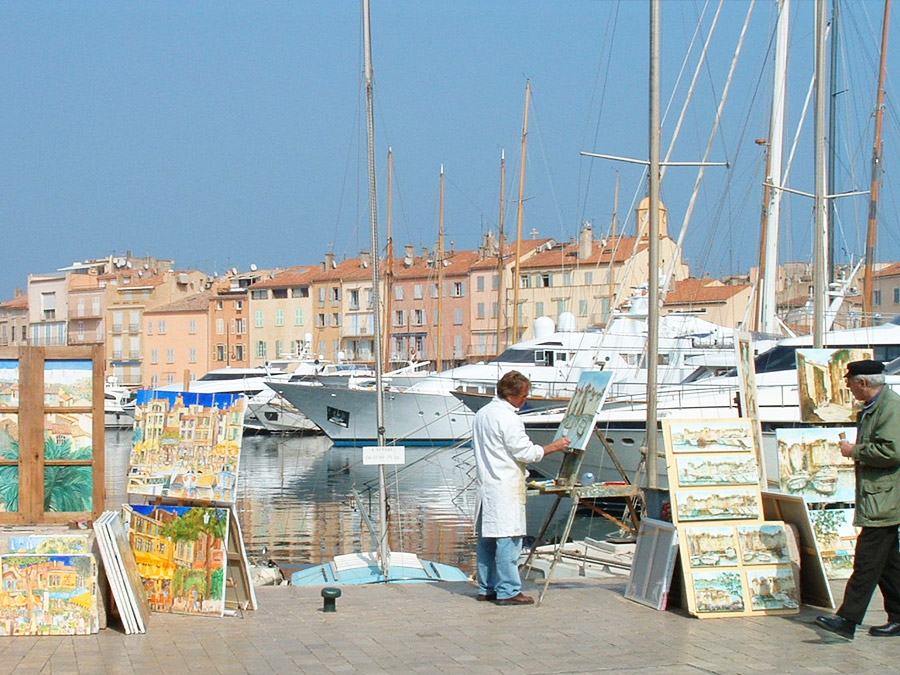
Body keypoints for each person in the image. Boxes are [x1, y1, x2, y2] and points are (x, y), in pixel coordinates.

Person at [815, 359, 900, 639]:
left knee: (866, 562)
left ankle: (847, 619)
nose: (848, 387)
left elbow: (892, 451)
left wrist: (855, 450)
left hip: (885, 499)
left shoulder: (890, 407)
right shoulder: (875, 407)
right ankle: (899, 617)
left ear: (863, 383)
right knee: (888, 564)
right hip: (880, 497)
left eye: (850, 382)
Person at [473, 371, 571, 605]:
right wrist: (554, 447)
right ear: (512, 395)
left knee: (487, 541)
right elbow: (524, 452)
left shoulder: (482, 413)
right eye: (524, 396)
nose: (525, 400)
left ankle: (487, 587)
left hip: (487, 484)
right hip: (504, 485)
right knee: (508, 540)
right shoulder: (508, 418)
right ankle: (508, 590)